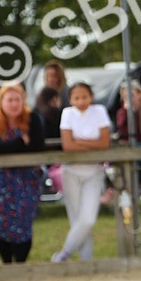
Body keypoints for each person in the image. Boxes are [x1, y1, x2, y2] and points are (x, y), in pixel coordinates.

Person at [0, 82, 45, 263]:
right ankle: (6, 262)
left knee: (23, 220)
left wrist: (5, 147)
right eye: (9, 100)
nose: (13, 104)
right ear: (1, 102)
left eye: (17, 99)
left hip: (26, 178)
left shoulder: (32, 118)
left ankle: (21, 263)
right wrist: (20, 142)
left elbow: (36, 147)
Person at [51, 81, 111, 263]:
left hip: (94, 171)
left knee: (88, 219)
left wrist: (80, 142)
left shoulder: (99, 111)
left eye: (84, 96)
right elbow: (67, 145)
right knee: (76, 219)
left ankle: (63, 254)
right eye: (76, 97)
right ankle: (86, 260)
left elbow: (104, 143)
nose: (81, 101)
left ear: (91, 97)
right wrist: (92, 145)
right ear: (70, 99)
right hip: (71, 172)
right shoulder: (67, 113)